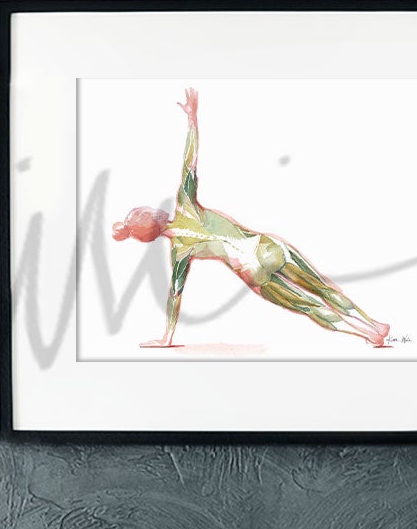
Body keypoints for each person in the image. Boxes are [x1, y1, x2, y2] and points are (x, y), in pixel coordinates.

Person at [111, 88, 391, 349]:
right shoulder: (186, 206)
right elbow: (190, 161)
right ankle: (373, 323)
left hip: (251, 271)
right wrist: (192, 119)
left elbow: (175, 294)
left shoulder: (179, 252)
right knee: (322, 287)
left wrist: (167, 336)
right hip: (264, 247)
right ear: (154, 215)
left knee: (309, 306)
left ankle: (366, 334)